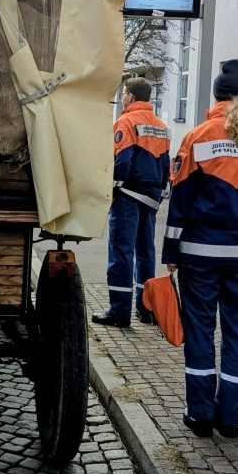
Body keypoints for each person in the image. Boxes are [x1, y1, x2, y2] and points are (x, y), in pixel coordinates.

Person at [162, 59, 238, 440]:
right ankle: (230, 418)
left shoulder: (198, 136)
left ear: (217, 95)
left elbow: (180, 203)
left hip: (199, 255)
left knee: (200, 331)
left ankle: (199, 415)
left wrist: (171, 253)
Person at [92, 77, 170, 328]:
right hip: (151, 198)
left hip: (128, 196)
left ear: (131, 96)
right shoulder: (161, 126)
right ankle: (146, 310)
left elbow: (122, 161)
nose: (123, 97)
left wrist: (112, 188)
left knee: (121, 253)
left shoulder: (126, 122)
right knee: (146, 253)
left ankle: (119, 312)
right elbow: (165, 166)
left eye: (124, 93)